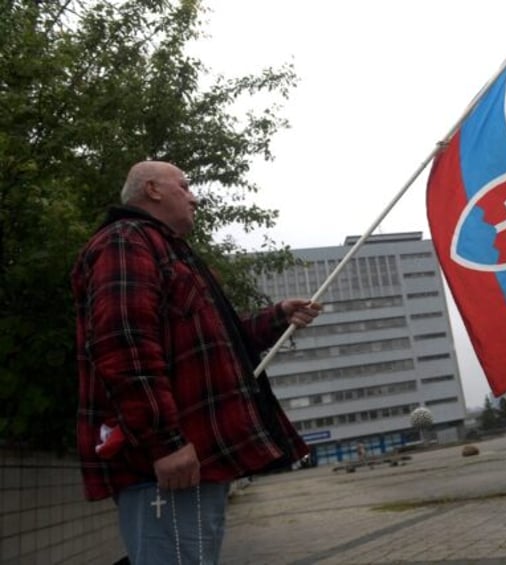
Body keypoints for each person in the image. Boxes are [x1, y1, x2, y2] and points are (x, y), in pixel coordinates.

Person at [71, 160, 321, 564]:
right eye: (185, 186)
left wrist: (277, 317)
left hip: (190, 459)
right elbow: (124, 343)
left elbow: (213, 340)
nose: (195, 197)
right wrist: (165, 442)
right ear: (152, 190)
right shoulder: (126, 241)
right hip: (170, 463)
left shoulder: (164, 249)